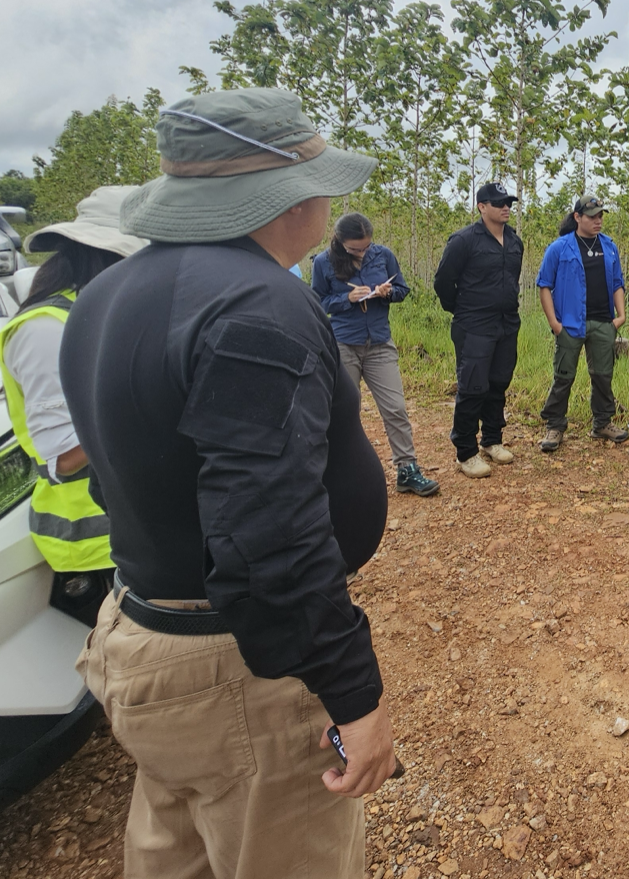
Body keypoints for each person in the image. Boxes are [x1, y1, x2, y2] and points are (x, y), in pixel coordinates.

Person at [59, 88, 398, 878]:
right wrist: (354, 694)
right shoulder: (258, 308)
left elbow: (123, 478)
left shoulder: (108, 294)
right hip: (233, 672)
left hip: (143, 635)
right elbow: (269, 535)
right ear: (284, 196)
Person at [0, 184, 145, 624]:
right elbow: (64, 456)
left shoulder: (101, 312)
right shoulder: (46, 328)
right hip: (93, 541)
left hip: (135, 529)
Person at [312, 212, 439, 496]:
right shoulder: (323, 262)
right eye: (356, 248)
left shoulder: (382, 256)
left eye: (366, 246)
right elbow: (318, 303)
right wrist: (347, 298)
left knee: (395, 407)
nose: (362, 252)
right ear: (340, 241)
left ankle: (407, 469)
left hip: (379, 342)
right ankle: (339, 475)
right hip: (344, 343)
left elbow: (403, 289)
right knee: (344, 411)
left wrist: (387, 292)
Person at [433, 181, 524, 478]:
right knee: (473, 386)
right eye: (498, 203)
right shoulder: (464, 240)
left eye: (508, 202)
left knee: (499, 382)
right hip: (474, 324)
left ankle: (492, 439)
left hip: (507, 323)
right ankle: (466, 451)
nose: (505, 207)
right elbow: (443, 282)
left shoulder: (514, 241)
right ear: (482, 207)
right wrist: (460, 310)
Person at [536, 194, 628, 451]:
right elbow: (544, 285)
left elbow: (618, 283)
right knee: (563, 375)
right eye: (592, 216)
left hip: (603, 322)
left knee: (602, 376)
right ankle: (555, 426)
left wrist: (620, 317)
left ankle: (602, 423)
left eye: (600, 216)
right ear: (577, 217)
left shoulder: (609, 247)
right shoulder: (559, 247)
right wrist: (555, 323)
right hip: (570, 324)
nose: (598, 221)